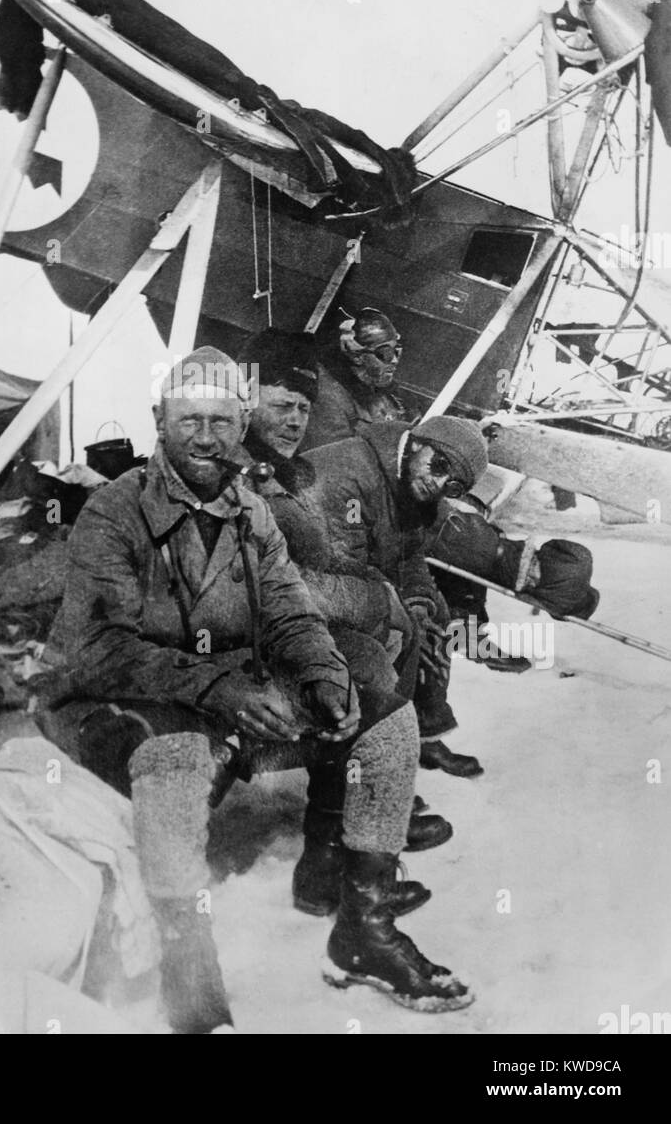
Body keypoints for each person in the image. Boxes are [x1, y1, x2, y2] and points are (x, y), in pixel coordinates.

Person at [44, 347, 472, 1031]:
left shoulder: (251, 512)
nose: (207, 437)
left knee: (386, 725)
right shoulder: (113, 513)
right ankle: (193, 988)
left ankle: (363, 930)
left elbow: (289, 612)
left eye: (221, 420)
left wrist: (323, 675)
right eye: (189, 421)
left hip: (224, 684)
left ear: (240, 423)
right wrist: (224, 690)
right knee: (177, 763)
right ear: (160, 420)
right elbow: (98, 652)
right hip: (116, 697)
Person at [235, 329, 455, 917]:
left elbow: (324, 567)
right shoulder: (238, 472)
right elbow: (269, 582)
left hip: (270, 632)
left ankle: (336, 852)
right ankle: (335, 854)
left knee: (376, 649)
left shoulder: (285, 474)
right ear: (241, 396)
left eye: (305, 409)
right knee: (361, 664)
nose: (296, 422)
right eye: (282, 405)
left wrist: (399, 604)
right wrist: (379, 602)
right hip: (225, 649)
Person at [304, 414, 491, 781]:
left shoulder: (410, 483)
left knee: (435, 615)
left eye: (452, 485)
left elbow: (409, 556)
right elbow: (343, 566)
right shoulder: (351, 473)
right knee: (394, 637)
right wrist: (403, 610)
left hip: (352, 583)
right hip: (302, 590)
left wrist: (420, 601)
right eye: (438, 465)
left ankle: (422, 731)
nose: (438, 483)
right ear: (418, 443)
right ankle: (370, 776)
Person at [427, 498, 599, 665]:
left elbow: (466, 601)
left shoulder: (490, 549)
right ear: (534, 584)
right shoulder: (475, 550)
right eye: (541, 603)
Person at [301, 306, 405, 452]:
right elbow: (332, 459)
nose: (394, 360)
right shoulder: (329, 399)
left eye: (397, 351)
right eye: (385, 353)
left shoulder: (379, 387)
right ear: (357, 356)